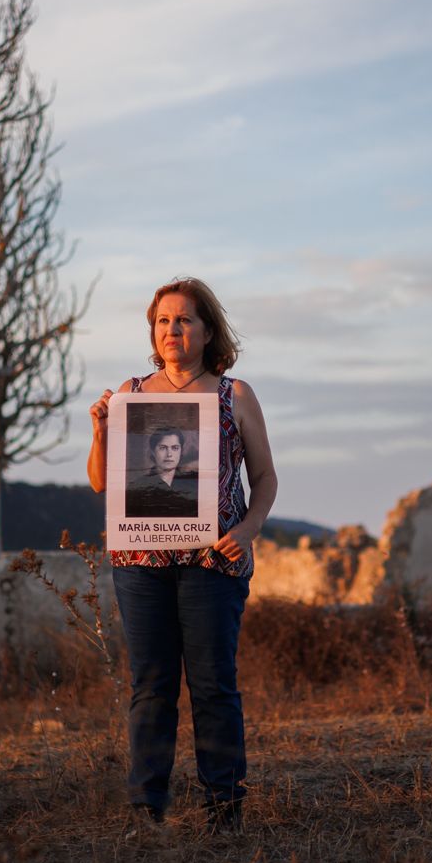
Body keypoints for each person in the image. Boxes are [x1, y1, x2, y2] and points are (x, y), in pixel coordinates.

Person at [87, 277, 277, 833]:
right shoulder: (131, 395)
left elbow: (264, 479)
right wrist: (101, 431)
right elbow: (102, 484)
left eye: (185, 319)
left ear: (207, 329)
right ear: (154, 331)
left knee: (213, 684)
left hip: (212, 563)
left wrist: (248, 530)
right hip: (139, 567)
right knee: (151, 685)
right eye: (163, 320)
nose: (172, 329)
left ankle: (225, 810)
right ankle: (148, 809)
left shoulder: (233, 395)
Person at [124, 427, 199, 518]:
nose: (169, 454)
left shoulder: (193, 484)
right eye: (163, 448)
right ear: (152, 451)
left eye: (175, 448)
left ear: (181, 451)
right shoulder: (136, 488)